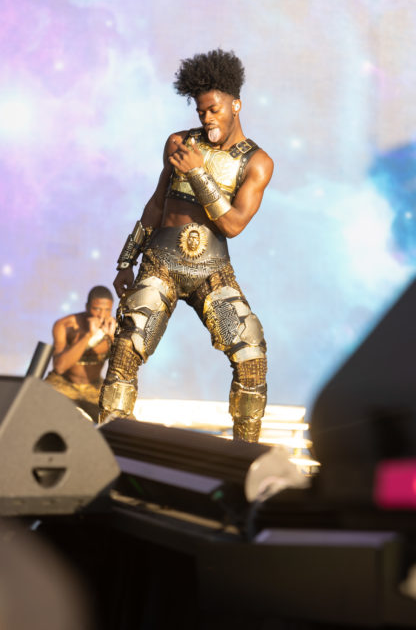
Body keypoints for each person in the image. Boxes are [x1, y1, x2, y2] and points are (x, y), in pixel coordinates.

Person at [100, 49, 274, 442]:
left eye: (214, 109)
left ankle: (243, 460)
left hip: (212, 272)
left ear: (236, 105)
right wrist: (126, 261)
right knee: (126, 349)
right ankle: (109, 451)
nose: (207, 118)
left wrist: (197, 172)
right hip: (160, 263)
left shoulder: (257, 162)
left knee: (251, 355)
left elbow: (232, 225)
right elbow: (156, 204)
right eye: (201, 111)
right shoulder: (179, 143)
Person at [46, 286, 116, 422]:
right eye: (97, 309)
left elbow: (123, 365)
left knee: (122, 421)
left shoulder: (113, 327)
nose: (102, 315)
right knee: (36, 408)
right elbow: (59, 367)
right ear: (87, 307)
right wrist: (88, 335)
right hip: (63, 384)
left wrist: (112, 338)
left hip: (94, 387)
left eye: (107, 310)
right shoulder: (66, 325)